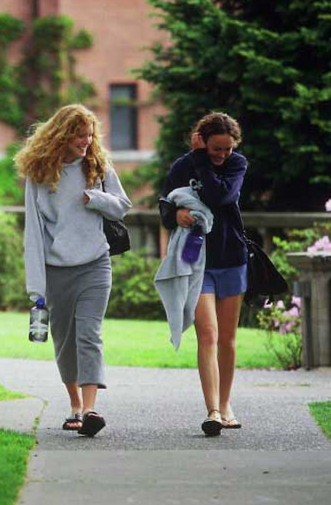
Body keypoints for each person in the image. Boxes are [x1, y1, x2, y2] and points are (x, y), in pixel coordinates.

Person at [15, 104, 132, 437]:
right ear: (62, 135)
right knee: (65, 341)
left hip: (95, 264)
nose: (87, 140)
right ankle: (75, 406)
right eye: (80, 135)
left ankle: (92, 408)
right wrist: (36, 290)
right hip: (56, 272)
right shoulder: (40, 174)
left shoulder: (97, 166)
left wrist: (95, 198)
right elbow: (33, 235)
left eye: (90, 134)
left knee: (89, 335)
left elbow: (122, 205)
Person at [160, 112, 247, 436]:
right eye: (215, 150)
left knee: (227, 338)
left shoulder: (237, 165)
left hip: (233, 258)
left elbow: (220, 196)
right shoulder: (183, 166)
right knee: (207, 334)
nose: (221, 156)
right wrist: (177, 213)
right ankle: (212, 410)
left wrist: (202, 160)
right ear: (202, 141)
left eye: (226, 149)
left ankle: (226, 405)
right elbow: (165, 210)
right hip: (198, 263)